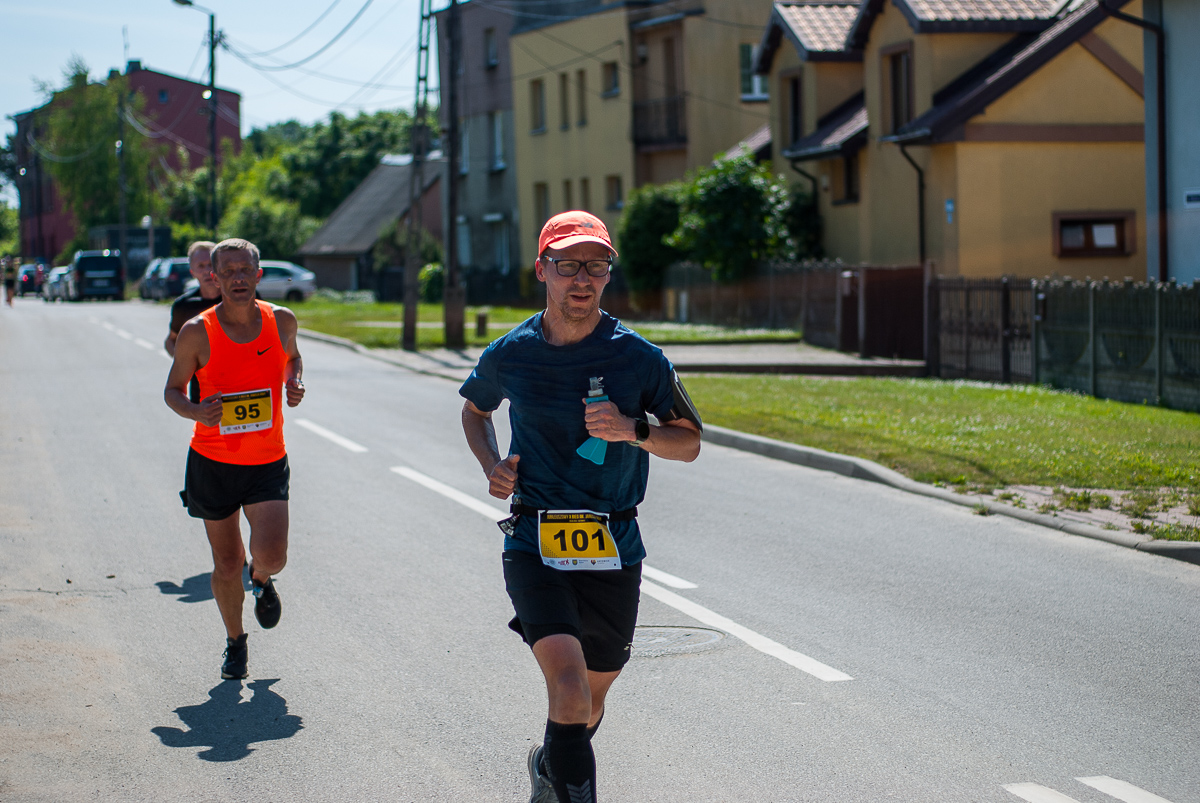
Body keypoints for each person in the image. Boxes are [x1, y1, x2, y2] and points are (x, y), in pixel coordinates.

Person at [460, 211, 703, 803]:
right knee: (567, 687)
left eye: (596, 265)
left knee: (590, 698)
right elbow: (475, 411)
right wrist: (492, 463)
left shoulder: (639, 358)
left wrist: (634, 431)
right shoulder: (511, 352)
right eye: (568, 264)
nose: (582, 278)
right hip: (536, 536)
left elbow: (690, 441)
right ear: (542, 269)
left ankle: (553, 758)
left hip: (614, 540)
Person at [164, 238, 306, 680]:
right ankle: (235, 642)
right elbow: (172, 391)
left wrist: (294, 381)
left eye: (246, 270)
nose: (239, 278)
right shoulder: (197, 331)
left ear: (258, 275)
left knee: (273, 554)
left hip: (266, 459)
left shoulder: (280, 321)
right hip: (213, 462)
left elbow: (294, 358)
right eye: (229, 272)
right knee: (226, 563)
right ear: (214, 277)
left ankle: (262, 579)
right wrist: (196, 409)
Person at [165, 241, 220, 402]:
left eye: (211, 264)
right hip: (203, 391)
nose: (207, 271)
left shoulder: (239, 297)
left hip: (244, 386)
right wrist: (185, 363)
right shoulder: (184, 305)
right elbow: (171, 340)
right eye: (201, 266)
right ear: (192, 272)